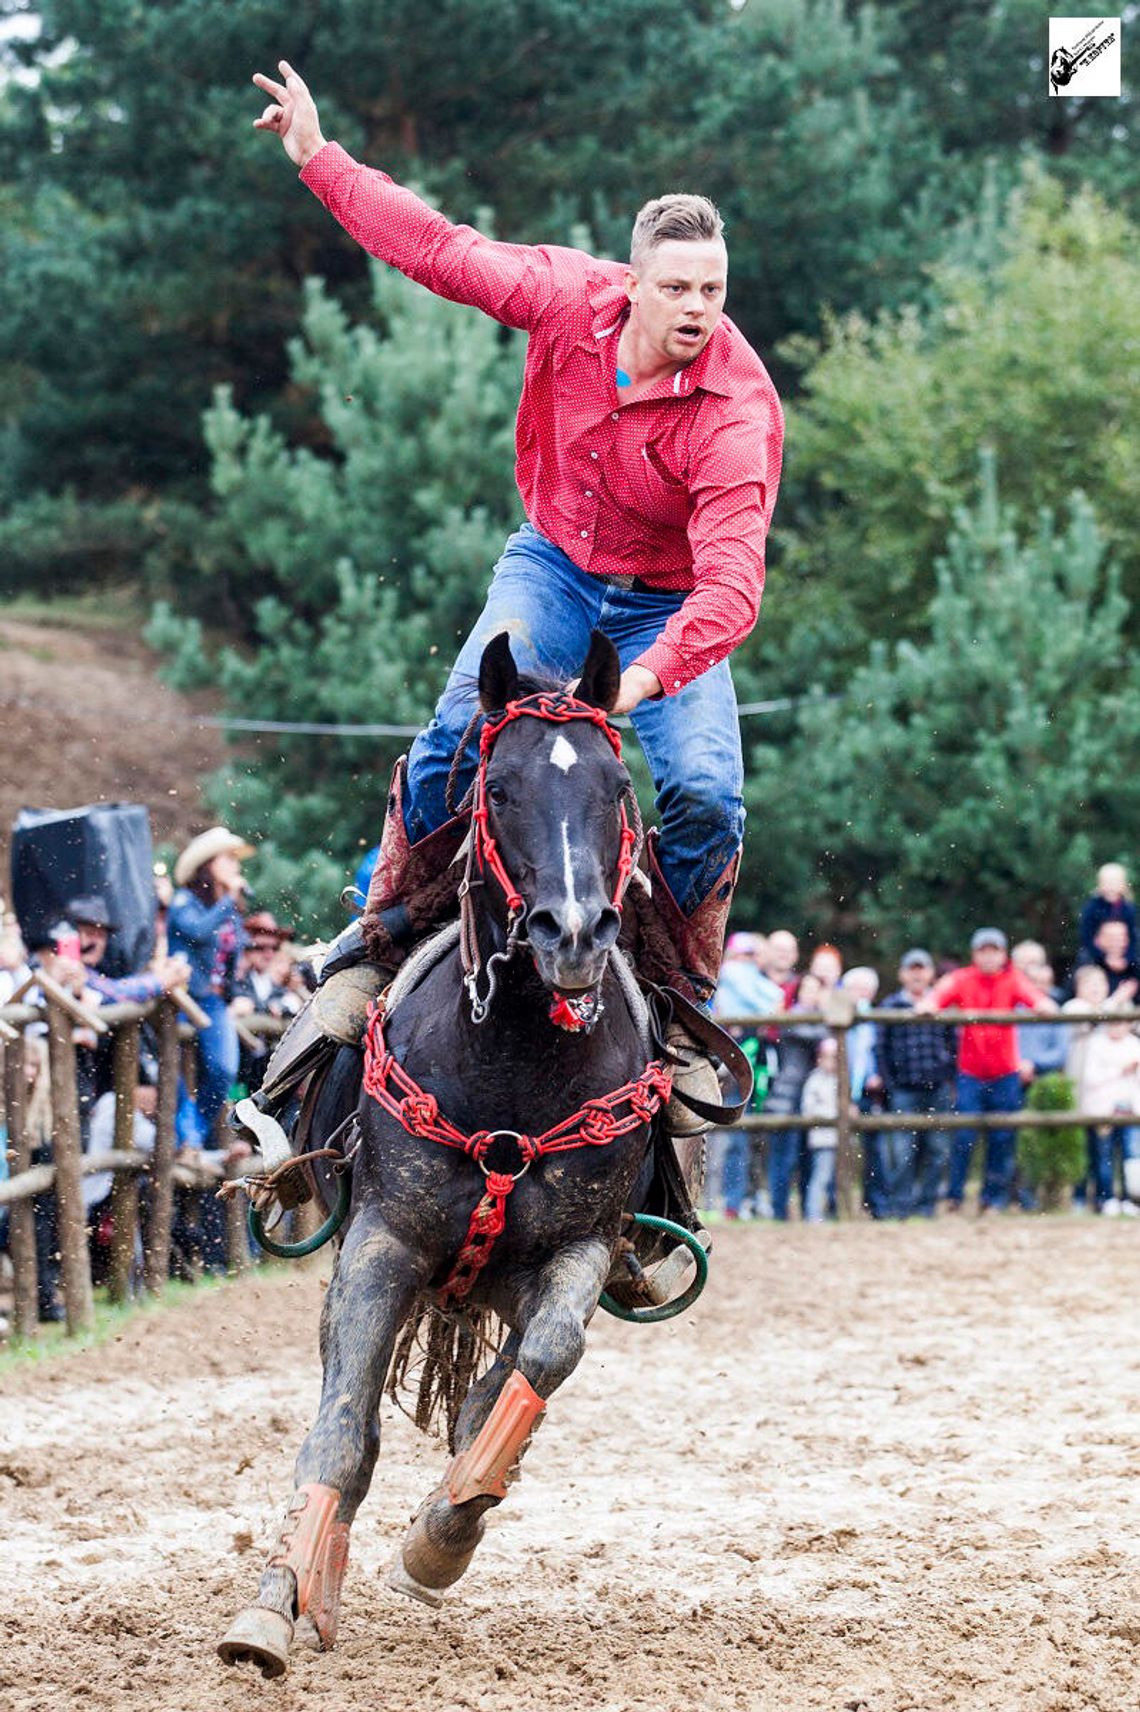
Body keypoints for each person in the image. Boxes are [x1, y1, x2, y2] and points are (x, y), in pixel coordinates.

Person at [248, 58, 784, 1141]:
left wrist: (637, 681)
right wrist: (319, 159)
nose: (695, 309)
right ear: (632, 280)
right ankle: (386, 932)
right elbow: (441, 249)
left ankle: (673, 995)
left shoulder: (738, 411)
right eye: (676, 287)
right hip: (553, 563)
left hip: (666, 611)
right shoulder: (562, 298)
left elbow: (731, 586)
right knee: (459, 724)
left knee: (708, 796)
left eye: (713, 291)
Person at [929, 928, 1056, 1213]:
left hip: (1004, 1073)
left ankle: (992, 1199)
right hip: (971, 1072)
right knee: (963, 1135)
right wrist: (929, 1005)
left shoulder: (1013, 979)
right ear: (975, 954)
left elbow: (1036, 998)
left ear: (1002, 954)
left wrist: (1043, 1005)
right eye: (983, 950)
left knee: (1002, 1138)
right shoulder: (963, 979)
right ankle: (955, 1196)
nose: (988, 956)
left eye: (994, 950)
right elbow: (938, 996)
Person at [167, 828, 253, 1142]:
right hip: (179, 998)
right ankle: (185, 1136)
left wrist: (238, 995)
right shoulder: (184, 901)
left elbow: (236, 957)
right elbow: (198, 932)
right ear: (207, 864)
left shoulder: (227, 908)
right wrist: (230, 899)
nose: (235, 865)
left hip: (213, 1001)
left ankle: (195, 1135)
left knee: (224, 1070)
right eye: (227, 858)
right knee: (168, 1067)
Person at [876, 949, 958, 1218]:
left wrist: (948, 1076)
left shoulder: (942, 1005)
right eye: (912, 968)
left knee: (938, 1151)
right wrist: (890, 1084)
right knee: (901, 1153)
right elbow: (881, 1048)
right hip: (903, 1090)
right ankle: (900, 1207)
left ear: (931, 973)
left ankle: (926, 1207)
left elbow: (953, 1043)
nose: (917, 974)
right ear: (902, 974)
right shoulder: (890, 1006)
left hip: (938, 1089)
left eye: (922, 968)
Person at [711, 932, 783, 1217]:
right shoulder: (732, 973)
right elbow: (770, 1001)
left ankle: (736, 1201)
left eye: (752, 955)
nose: (748, 960)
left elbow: (772, 1001)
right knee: (730, 1137)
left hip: (749, 1059)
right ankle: (727, 1201)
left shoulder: (749, 978)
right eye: (745, 954)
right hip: (731, 1059)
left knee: (742, 1138)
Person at [764, 970, 827, 1220]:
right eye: (807, 988)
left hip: (813, 1096)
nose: (811, 994)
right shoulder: (794, 1018)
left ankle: (806, 1210)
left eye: (816, 989)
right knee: (785, 1157)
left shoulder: (815, 1019)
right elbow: (813, 1035)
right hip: (788, 1095)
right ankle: (778, 1211)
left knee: (809, 1157)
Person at [1078, 1017, 1140, 1214]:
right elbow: (1090, 1078)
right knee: (1104, 1156)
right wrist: (1120, 1070)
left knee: (1131, 1156)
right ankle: (1107, 1198)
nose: (1117, 1027)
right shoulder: (1097, 1044)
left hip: (1130, 1109)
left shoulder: (1134, 1044)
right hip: (1104, 1109)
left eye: (1121, 1022)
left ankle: (1130, 1198)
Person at [801, 1036, 841, 1223]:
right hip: (823, 1138)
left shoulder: (840, 1080)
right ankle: (813, 1214)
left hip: (838, 1138)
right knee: (821, 1177)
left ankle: (835, 1211)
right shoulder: (815, 1080)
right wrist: (835, 1116)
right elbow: (809, 1110)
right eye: (829, 1057)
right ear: (820, 1058)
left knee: (835, 1180)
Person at [1078, 863, 1136, 966]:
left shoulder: (1128, 909)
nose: (1111, 887)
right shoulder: (1092, 908)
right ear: (1099, 884)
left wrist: (1127, 958)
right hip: (1097, 954)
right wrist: (1103, 957)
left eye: (1115, 882)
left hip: (1122, 953)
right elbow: (1086, 936)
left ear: (1123, 884)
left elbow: (1133, 936)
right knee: (1085, 959)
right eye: (1107, 882)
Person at [1083, 920, 1140, 1001]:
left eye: (1122, 937)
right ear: (1097, 940)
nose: (1117, 942)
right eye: (1111, 937)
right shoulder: (1087, 963)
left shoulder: (1135, 965)